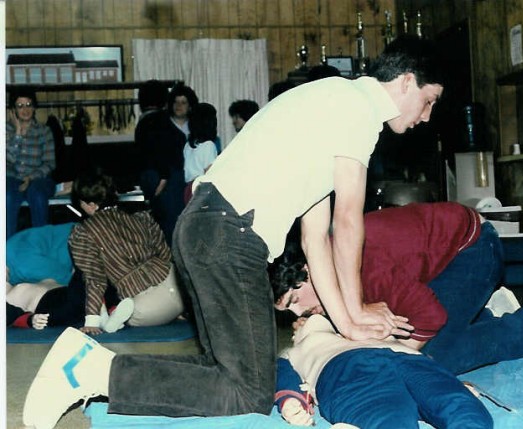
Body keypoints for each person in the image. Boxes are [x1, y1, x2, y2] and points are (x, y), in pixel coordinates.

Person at [24, 35, 444, 428]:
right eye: (429, 101)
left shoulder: (329, 104)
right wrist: (354, 319)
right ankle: (93, 371)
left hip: (205, 228)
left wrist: (347, 317)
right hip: (229, 234)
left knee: (226, 373)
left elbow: (317, 238)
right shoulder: (358, 109)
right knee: (249, 391)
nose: (426, 117)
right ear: (407, 82)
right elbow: (349, 220)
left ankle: (88, 366)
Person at [271, 202, 523, 375]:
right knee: (393, 328)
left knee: (435, 357)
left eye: (295, 299)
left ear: (309, 271)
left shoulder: (362, 268)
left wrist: (403, 358)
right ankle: (487, 315)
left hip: (476, 248)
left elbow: (428, 315)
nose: (299, 311)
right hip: (436, 263)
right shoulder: (331, 267)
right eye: (289, 310)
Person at [274, 314, 492, 428]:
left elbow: (434, 375)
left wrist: (452, 383)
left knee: (461, 406)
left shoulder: (356, 328)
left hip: (410, 360)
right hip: (348, 368)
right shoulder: (293, 351)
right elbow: (280, 374)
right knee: (386, 417)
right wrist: (290, 400)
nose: (299, 322)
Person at [67, 172, 185, 336]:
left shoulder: (84, 232)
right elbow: (165, 253)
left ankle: (111, 319)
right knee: (165, 297)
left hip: (146, 306)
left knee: (133, 316)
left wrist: (91, 322)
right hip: (178, 289)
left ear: (91, 204)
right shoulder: (142, 217)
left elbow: (95, 278)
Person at [138, 83, 198, 245]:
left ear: (190, 106)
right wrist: (162, 179)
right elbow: (153, 155)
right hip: (169, 183)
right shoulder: (159, 124)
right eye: (176, 102)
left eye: (183, 102)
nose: (179, 106)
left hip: (192, 184)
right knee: (171, 227)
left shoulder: (196, 127)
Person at [6, 272, 131, 333]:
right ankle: (105, 315)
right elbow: (9, 314)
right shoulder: (8, 296)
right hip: (51, 307)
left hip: (74, 298)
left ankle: (109, 314)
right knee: (86, 267)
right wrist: (30, 319)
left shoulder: (23, 280)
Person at [6, 87, 57, 239]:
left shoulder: (44, 131)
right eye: (20, 106)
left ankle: (40, 245)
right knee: (7, 197)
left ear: (34, 107)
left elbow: (49, 163)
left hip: (38, 180)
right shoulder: (5, 130)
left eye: (28, 104)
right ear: (13, 109)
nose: (25, 110)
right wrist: (17, 135)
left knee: (38, 195)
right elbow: (7, 161)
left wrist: (31, 177)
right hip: (11, 179)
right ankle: (7, 251)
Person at [183, 103, 219, 203]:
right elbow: (210, 172)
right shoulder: (209, 145)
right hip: (201, 190)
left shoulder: (188, 145)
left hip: (188, 189)